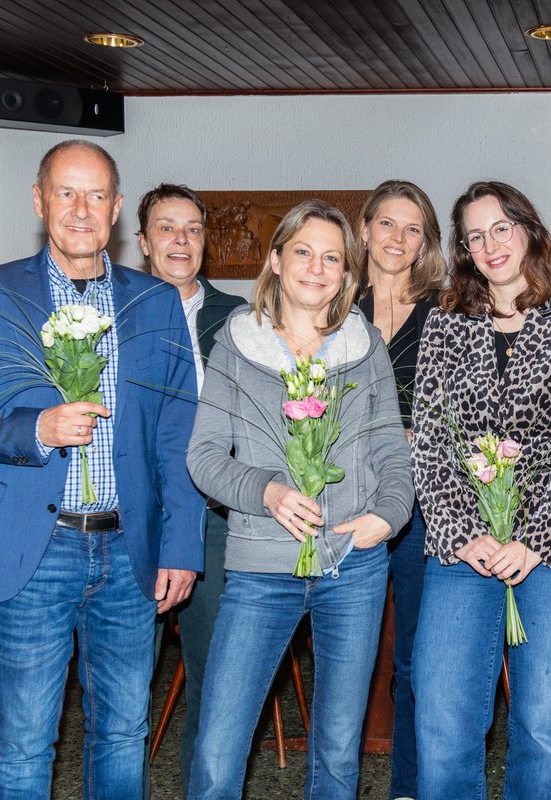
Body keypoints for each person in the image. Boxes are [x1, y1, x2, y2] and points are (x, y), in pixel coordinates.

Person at [0, 140, 204, 799]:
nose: (82, 209)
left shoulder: (154, 302)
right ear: (39, 200)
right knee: (26, 739)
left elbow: (177, 435)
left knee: (124, 732)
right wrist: (36, 429)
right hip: (33, 551)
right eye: (66, 193)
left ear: (116, 208)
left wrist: (181, 546)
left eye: (96, 195)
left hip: (131, 555)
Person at [185, 200, 414, 799]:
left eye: (332, 258)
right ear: (276, 259)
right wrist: (266, 491)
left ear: (347, 273)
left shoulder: (365, 347)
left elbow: (392, 451)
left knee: (337, 752)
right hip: (260, 569)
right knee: (218, 750)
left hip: (353, 567)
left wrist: (386, 517)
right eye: (304, 252)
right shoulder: (237, 345)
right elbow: (204, 457)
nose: (317, 268)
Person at [411, 180, 551, 800]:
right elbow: (431, 442)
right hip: (461, 547)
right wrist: (464, 533)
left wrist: (531, 539)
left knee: (544, 728)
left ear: (529, 231)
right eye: (475, 236)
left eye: (501, 227)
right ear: (464, 251)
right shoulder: (445, 325)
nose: (491, 244)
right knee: (442, 723)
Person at [136, 182, 247, 793]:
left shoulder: (239, 317)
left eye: (193, 229)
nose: (181, 240)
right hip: (137, 519)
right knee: (129, 677)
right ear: (143, 241)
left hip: (217, 518)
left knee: (215, 675)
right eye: (167, 228)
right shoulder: (117, 312)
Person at [352, 179, 446, 800]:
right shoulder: (333, 304)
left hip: (424, 509)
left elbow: (468, 408)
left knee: (416, 659)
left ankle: (408, 786)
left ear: (425, 242)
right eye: (387, 223)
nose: (398, 238)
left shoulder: (447, 312)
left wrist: (424, 433)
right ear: (364, 230)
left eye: (413, 229)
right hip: (345, 503)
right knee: (345, 658)